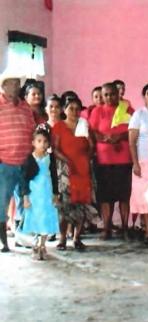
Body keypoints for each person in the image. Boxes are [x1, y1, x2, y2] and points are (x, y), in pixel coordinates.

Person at [89, 82, 134, 240]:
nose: (108, 97)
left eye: (112, 94)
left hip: (123, 159)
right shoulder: (97, 111)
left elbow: (134, 130)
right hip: (104, 160)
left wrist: (119, 137)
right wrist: (105, 139)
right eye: (105, 95)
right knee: (106, 197)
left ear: (118, 94)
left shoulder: (127, 109)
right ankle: (106, 228)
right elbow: (92, 131)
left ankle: (125, 228)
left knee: (124, 196)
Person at [52, 98, 97, 250]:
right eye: (71, 108)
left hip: (83, 170)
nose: (74, 112)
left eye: (78, 109)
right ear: (64, 110)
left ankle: (77, 238)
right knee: (65, 205)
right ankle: (63, 239)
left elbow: (92, 145)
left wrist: (87, 159)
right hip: (65, 170)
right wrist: (67, 161)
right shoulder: (59, 126)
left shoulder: (84, 125)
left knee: (81, 205)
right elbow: (55, 149)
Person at [0, 70, 35, 252]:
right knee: (2, 202)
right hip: (5, 163)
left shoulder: (25, 107)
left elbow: (32, 130)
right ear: (3, 86)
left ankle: (21, 237)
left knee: (24, 201)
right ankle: (3, 241)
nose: (16, 86)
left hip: (24, 162)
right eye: (12, 83)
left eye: (17, 83)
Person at [18, 129, 59, 260]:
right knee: (36, 218)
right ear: (33, 143)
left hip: (47, 192)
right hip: (34, 193)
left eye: (45, 141)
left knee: (46, 218)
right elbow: (24, 179)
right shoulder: (30, 159)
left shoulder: (50, 157)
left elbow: (54, 175)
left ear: (48, 144)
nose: (42, 144)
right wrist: (25, 197)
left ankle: (42, 244)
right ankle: (36, 243)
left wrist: (55, 193)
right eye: (39, 141)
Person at [128, 83, 148, 243]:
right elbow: (132, 141)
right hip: (143, 161)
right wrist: (135, 163)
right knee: (145, 198)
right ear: (144, 96)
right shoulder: (139, 114)